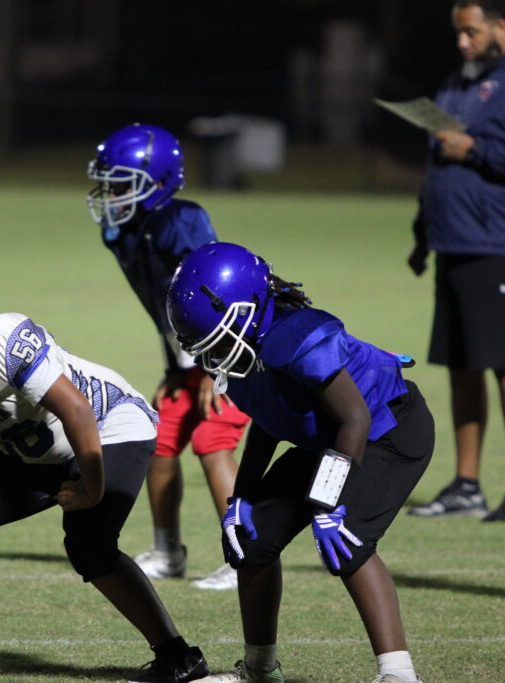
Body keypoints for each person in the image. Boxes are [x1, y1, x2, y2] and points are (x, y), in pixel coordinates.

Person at [0, 265, 208, 682]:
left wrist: (90, 489)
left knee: (89, 544)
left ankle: (178, 657)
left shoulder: (3, 345)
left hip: (109, 427)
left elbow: (77, 412)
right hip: (39, 448)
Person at [167, 243, 433, 683]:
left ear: (247, 308)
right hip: (328, 437)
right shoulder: (238, 347)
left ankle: (399, 673)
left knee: (345, 538)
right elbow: (268, 420)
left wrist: (326, 504)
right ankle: (259, 671)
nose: (209, 352)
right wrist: (241, 499)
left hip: (386, 430)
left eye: (215, 335)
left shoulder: (297, 337)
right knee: (250, 538)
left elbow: (355, 418)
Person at [407, 0, 505, 522]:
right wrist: (423, 233)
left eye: (471, 32)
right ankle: (467, 485)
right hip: (457, 243)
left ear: (501, 25)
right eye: (458, 33)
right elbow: (439, 161)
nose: (462, 43)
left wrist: (473, 150)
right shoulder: (459, 81)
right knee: (462, 364)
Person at [87, 123, 249, 590]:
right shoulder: (126, 232)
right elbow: (167, 310)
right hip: (193, 358)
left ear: (158, 183)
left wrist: (214, 368)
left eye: (122, 184)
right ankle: (168, 551)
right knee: (155, 439)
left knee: (212, 441)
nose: (111, 195)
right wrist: (174, 369)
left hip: (234, 351)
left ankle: (245, 558)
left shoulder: (182, 220)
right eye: (108, 184)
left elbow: (211, 292)